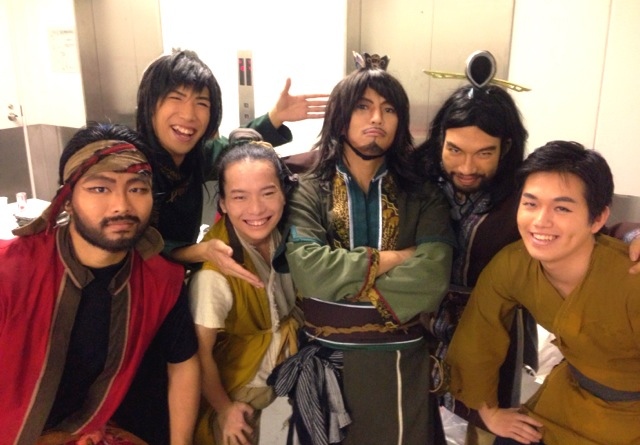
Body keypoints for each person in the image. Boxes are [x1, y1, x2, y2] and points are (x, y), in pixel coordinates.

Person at [113, 49, 326, 444]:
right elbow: (132, 242)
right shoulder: (128, 163)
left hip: (169, 291)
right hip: (129, 299)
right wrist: (196, 252)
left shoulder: (197, 155)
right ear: (149, 103)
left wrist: (273, 120)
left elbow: (237, 159)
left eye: (202, 103)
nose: (189, 114)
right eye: (175, 98)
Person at [414, 84, 640, 445]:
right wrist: (488, 410)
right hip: (565, 400)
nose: (540, 221)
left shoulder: (629, 279)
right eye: (531, 204)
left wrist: (633, 233)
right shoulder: (512, 263)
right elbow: (479, 335)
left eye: (561, 208)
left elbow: (611, 236)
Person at [269, 64, 455, 444]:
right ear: (340, 119)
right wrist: (396, 258)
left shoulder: (423, 193)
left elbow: (433, 276)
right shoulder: (309, 188)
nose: (376, 118)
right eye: (362, 107)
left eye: (389, 109)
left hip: (401, 364)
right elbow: (310, 273)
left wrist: (343, 288)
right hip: (328, 361)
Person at [0, 123, 199, 445]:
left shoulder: (161, 281)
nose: (122, 206)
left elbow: (183, 362)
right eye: (100, 189)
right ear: (66, 199)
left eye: (137, 189)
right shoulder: (10, 272)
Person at [188, 136, 301, 445]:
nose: (256, 209)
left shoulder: (290, 239)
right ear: (223, 203)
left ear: (283, 194)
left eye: (268, 193)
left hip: (273, 384)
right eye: (240, 197)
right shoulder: (214, 275)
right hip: (234, 395)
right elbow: (199, 352)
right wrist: (224, 409)